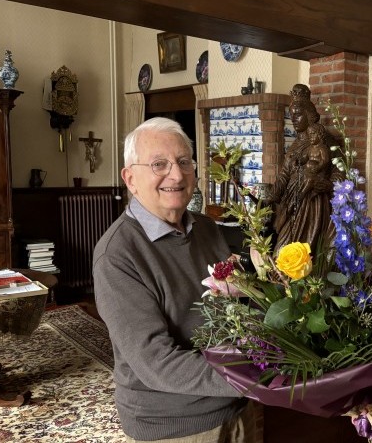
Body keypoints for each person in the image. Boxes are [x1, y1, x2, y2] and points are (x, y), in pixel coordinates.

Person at [93, 117, 253, 442]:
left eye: (184, 162)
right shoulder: (118, 255)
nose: (176, 175)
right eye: (159, 164)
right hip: (175, 425)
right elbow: (156, 362)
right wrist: (254, 376)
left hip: (238, 405)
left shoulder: (207, 229)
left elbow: (241, 306)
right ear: (130, 178)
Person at [269, 84, 340, 253]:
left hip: (313, 205)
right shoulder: (294, 145)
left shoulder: (325, 142)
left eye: (298, 115)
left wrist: (325, 184)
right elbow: (284, 174)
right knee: (281, 251)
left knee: (307, 254)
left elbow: (340, 174)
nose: (294, 119)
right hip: (292, 202)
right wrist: (271, 197)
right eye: (291, 115)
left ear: (309, 115)